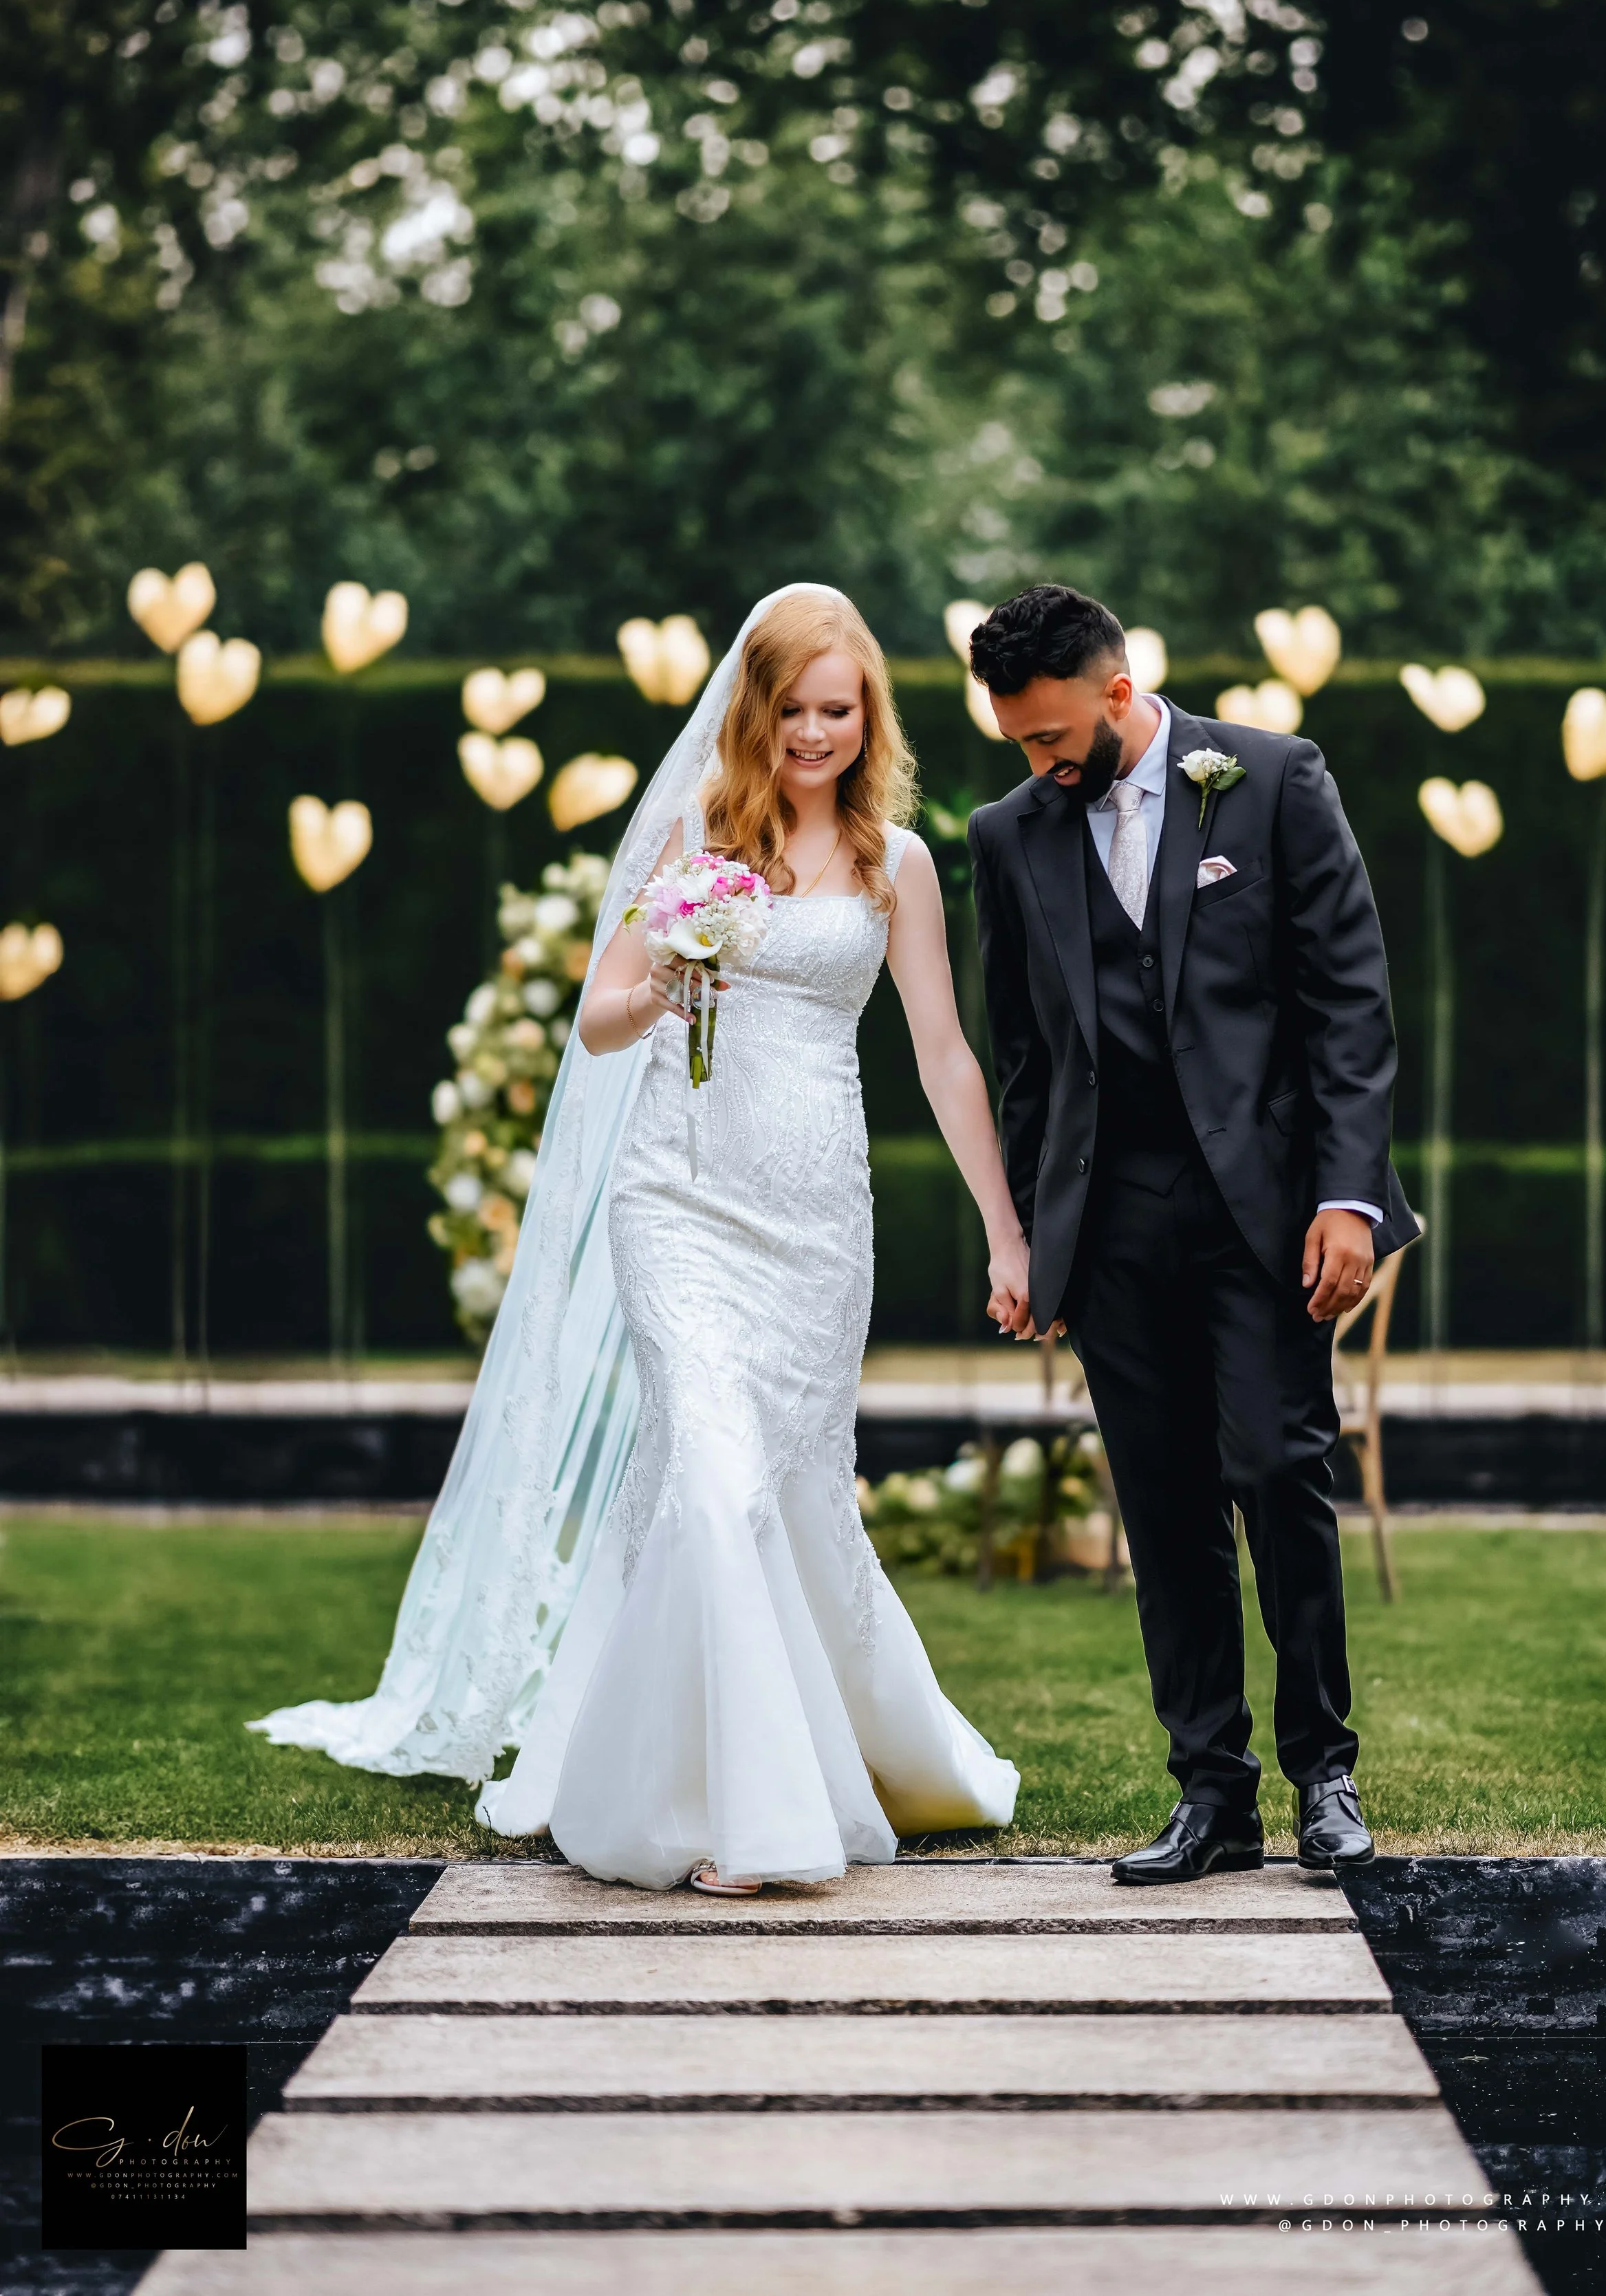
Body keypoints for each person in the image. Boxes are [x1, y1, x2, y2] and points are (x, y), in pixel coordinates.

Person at [254, 586, 1020, 1890]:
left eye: (842, 710)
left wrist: (1005, 1228)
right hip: (677, 1200)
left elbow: (944, 1053)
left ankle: (843, 1742)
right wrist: (670, 967)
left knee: (780, 1490)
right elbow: (601, 1022)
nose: (819, 733)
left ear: (870, 715)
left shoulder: (896, 861)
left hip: (817, 1220)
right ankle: (740, 1813)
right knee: (715, 1483)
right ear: (754, 709)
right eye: (797, 709)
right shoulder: (693, 834)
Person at [965, 584, 1417, 1883]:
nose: (1038, 765)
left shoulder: (1270, 779)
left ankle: (1325, 1774)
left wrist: (1350, 1196)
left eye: (1052, 738)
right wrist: (1031, 1240)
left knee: (1279, 1468)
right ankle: (1210, 1795)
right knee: (1161, 1505)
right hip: (1111, 1222)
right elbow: (1025, 1060)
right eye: (1018, 745)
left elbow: (1350, 1002)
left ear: (1120, 691)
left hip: (1265, 1210)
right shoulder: (1009, 834)